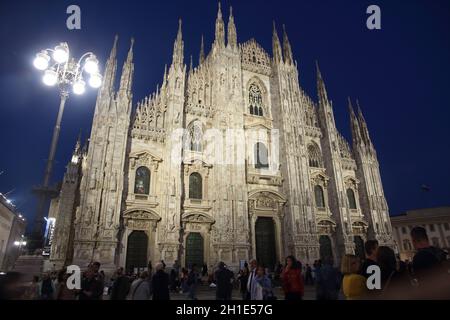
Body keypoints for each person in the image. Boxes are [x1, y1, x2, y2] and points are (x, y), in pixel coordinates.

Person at [410, 226, 449, 299]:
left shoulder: (419, 256)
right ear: (427, 238)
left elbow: (423, 281)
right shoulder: (440, 251)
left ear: (414, 240)